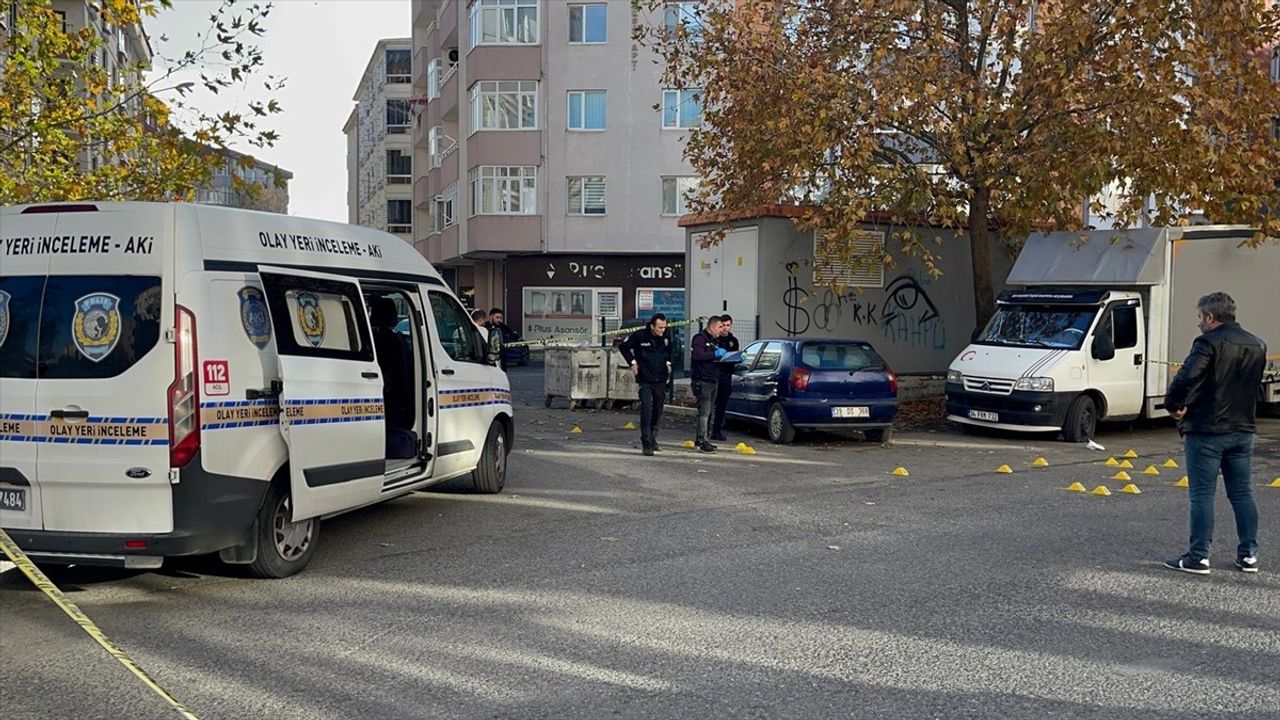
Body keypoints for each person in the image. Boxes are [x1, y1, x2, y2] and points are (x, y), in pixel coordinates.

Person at [1163, 292, 1266, 575]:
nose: (1199, 323)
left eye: (1200, 317)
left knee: (1202, 494)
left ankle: (1199, 556)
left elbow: (1187, 376)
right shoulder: (1257, 344)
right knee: (1243, 493)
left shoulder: (1206, 342)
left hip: (1206, 429)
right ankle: (1249, 555)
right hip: (1243, 428)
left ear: (1210, 317)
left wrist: (1174, 405)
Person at [619, 313, 674, 456]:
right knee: (646, 408)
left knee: (658, 409)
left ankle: (653, 436)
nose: (662, 330)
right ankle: (646, 441)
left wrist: (668, 363)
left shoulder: (667, 336)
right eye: (660, 328)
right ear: (652, 326)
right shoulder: (640, 336)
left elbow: (669, 351)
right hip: (645, 378)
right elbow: (623, 347)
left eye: (664, 327)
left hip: (660, 378)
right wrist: (632, 363)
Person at [689, 315, 726, 452]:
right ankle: (701, 441)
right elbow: (697, 355)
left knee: (709, 412)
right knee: (704, 412)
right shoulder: (700, 339)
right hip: (702, 380)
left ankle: (705, 438)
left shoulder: (714, 341)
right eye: (720, 327)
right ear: (712, 326)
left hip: (713, 379)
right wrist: (714, 354)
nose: (721, 330)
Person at [710, 314, 740, 441]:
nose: (725, 329)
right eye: (723, 326)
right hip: (715, 374)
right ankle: (705, 430)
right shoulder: (714, 340)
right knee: (710, 405)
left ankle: (717, 431)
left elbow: (735, 357)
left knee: (722, 405)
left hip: (726, 375)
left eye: (728, 325)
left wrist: (737, 359)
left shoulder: (733, 341)